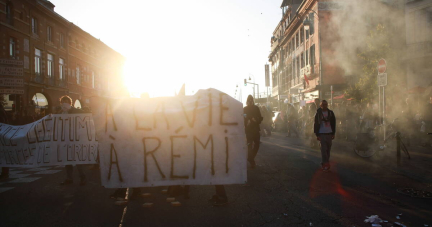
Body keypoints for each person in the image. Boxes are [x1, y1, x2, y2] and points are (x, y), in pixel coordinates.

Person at [58, 95, 87, 186]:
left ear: (70, 103)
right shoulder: (60, 113)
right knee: (67, 159)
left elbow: (84, 119)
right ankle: (69, 178)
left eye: (66, 102)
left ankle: (83, 178)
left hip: (76, 139)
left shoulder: (77, 111)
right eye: (63, 102)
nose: (65, 103)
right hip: (65, 140)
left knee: (78, 160)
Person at [314, 100, 336, 171]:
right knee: (323, 149)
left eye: (326, 104)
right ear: (321, 106)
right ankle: (325, 164)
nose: (324, 106)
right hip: (322, 133)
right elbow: (316, 124)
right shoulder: (318, 113)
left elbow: (333, 123)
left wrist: (333, 133)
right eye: (323, 105)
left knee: (328, 150)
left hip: (329, 133)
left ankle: (325, 162)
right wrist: (317, 134)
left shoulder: (331, 113)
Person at [243, 95, 263, 168]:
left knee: (257, 145)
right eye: (249, 100)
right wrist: (247, 120)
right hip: (248, 130)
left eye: (251, 100)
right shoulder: (244, 109)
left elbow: (260, 117)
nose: (250, 102)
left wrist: (256, 119)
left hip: (255, 129)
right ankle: (251, 161)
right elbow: (243, 116)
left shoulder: (256, 108)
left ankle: (251, 158)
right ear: (247, 101)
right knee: (249, 145)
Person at [0, 103, 9, 179]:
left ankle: (5, 173)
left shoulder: (1, 113)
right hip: (4, 135)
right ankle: (5, 172)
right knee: (3, 154)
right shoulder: (4, 112)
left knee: (2, 154)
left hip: (2, 135)